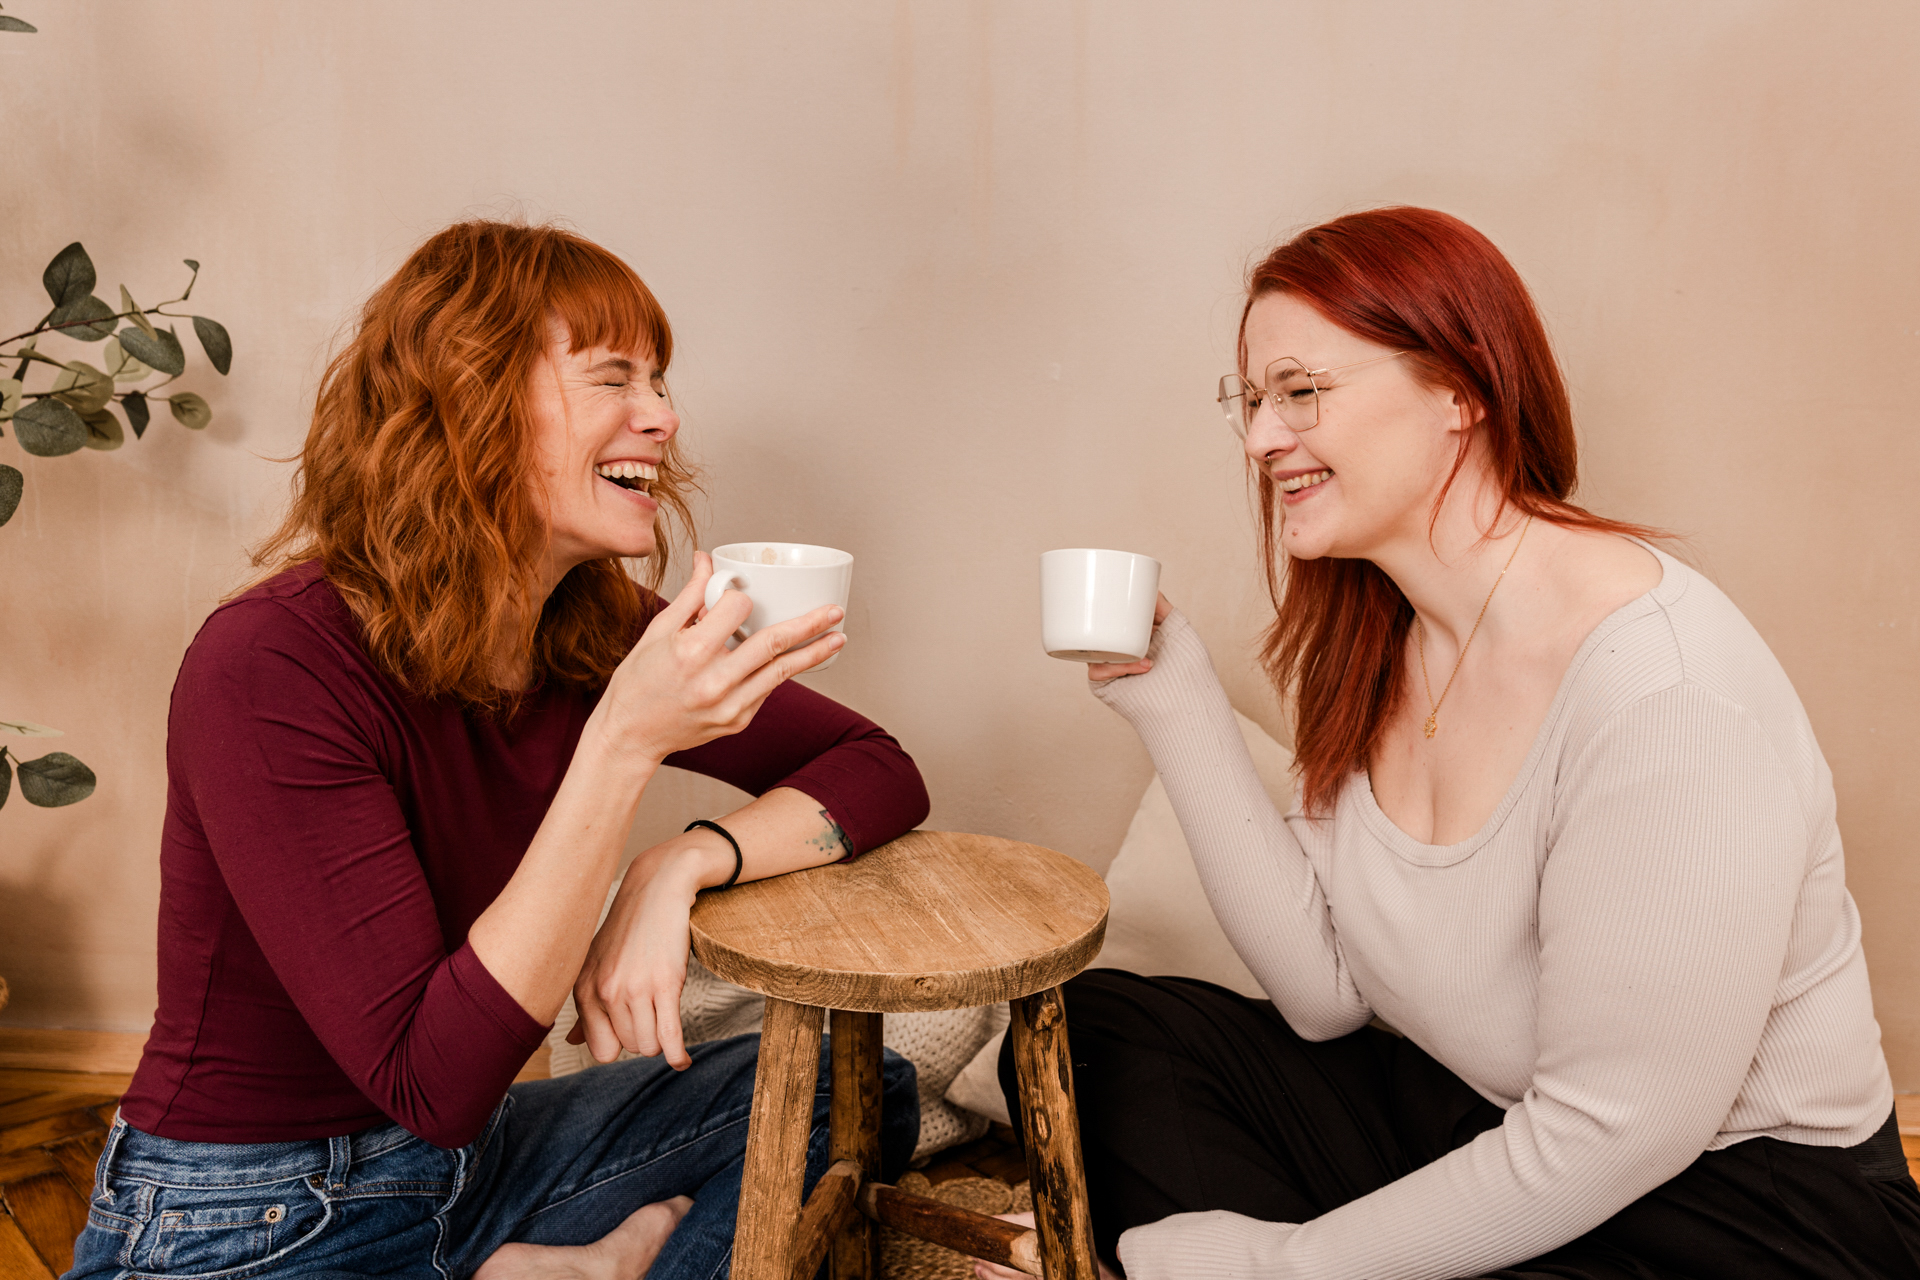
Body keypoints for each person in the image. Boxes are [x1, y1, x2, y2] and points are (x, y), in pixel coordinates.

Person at [987, 206, 1916, 1279]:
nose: (1260, 439)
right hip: (1483, 1117)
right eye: (1251, 400)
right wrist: (1172, 691)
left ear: (1461, 390)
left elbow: (1607, 1132)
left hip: (1733, 1211)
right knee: (1096, 1034)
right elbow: (1326, 993)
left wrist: (1275, 1262)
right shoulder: (1386, 632)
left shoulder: (1670, 693)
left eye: (1301, 392)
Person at [68, 221, 928, 1280]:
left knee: (852, 1089)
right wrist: (622, 744)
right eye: (615, 376)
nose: (660, 416)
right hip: (247, 1210)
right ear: (472, 400)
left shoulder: (589, 625)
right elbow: (431, 1078)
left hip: (465, 1167)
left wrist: (681, 864)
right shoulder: (270, 662)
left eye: (660, 381)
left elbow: (877, 765)